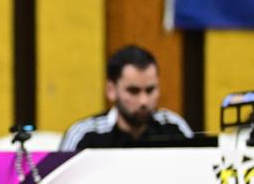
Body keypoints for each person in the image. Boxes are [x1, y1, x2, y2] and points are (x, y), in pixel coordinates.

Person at [59, 44, 194, 151]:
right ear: (111, 90)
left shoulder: (174, 128)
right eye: (133, 91)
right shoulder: (85, 136)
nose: (143, 101)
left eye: (150, 90)